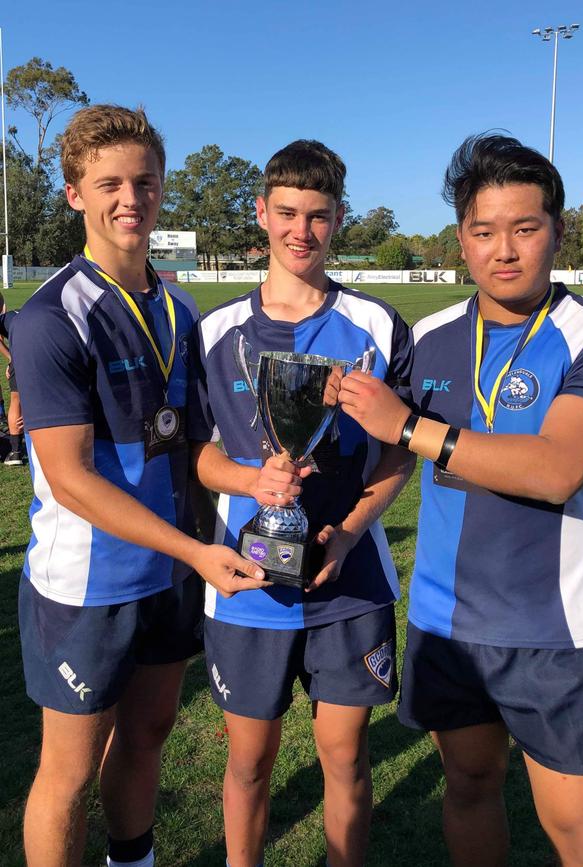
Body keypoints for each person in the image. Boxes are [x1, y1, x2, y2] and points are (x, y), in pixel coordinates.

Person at [338, 134, 583, 867]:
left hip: (554, 631)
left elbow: (557, 468)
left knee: (581, 832)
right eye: (484, 231)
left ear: (558, 232)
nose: (504, 249)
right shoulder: (432, 337)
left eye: (525, 227)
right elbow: (383, 453)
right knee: (469, 786)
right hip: (447, 624)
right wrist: (342, 526)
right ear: (462, 241)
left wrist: (411, 426)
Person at [10, 104, 269, 867]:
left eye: (145, 181)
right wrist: (193, 550)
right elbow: (71, 477)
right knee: (67, 771)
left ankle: (135, 858)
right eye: (110, 183)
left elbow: (193, 443)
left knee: (149, 732)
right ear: (74, 195)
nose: (132, 198)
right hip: (86, 583)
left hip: (170, 569)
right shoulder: (51, 316)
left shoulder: (180, 306)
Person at [189, 139, 415, 867]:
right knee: (249, 760)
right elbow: (197, 453)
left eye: (318, 216)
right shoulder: (216, 332)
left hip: (349, 580)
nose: (301, 231)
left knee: (345, 758)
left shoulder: (377, 327)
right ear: (261, 213)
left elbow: (397, 448)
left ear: (339, 218)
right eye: (286, 212)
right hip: (248, 581)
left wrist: (350, 531)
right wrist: (250, 481)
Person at [0, 293, 24, 463]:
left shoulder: (5, 319)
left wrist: (11, 358)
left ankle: (15, 452)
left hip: (23, 350)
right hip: (51, 347)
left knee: (16, 399)